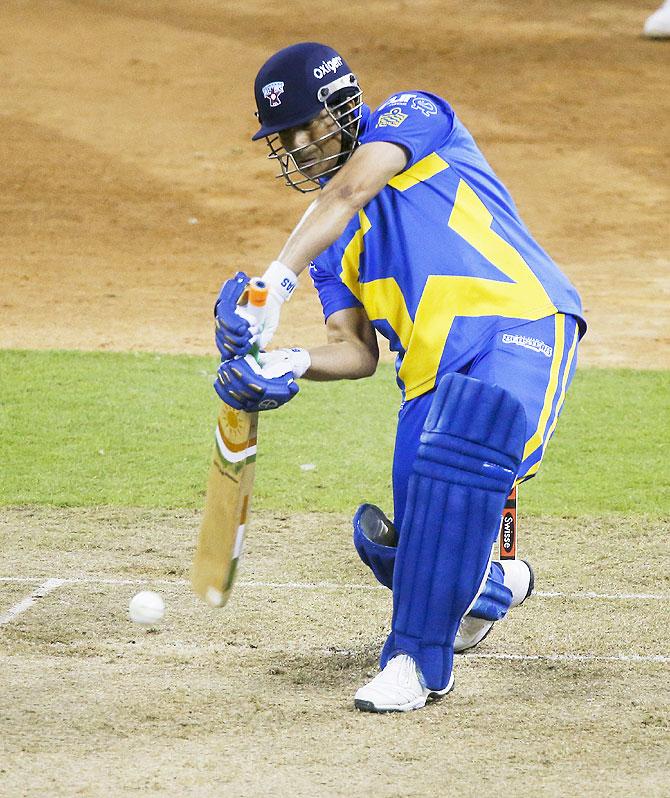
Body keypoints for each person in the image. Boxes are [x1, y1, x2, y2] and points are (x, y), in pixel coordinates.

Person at [212, 42, 586, 713]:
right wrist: (287, 361)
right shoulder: (333, 251)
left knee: (461, 465)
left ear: (339, 108)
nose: (294, 152)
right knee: (413, 557)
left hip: (520, 325)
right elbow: (353, 350)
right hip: (425, 383)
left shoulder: (414, 116)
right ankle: (487, 586)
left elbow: (352, 188)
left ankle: (415, 663)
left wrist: (270, 289)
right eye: (282, 142)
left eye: (301, 131)